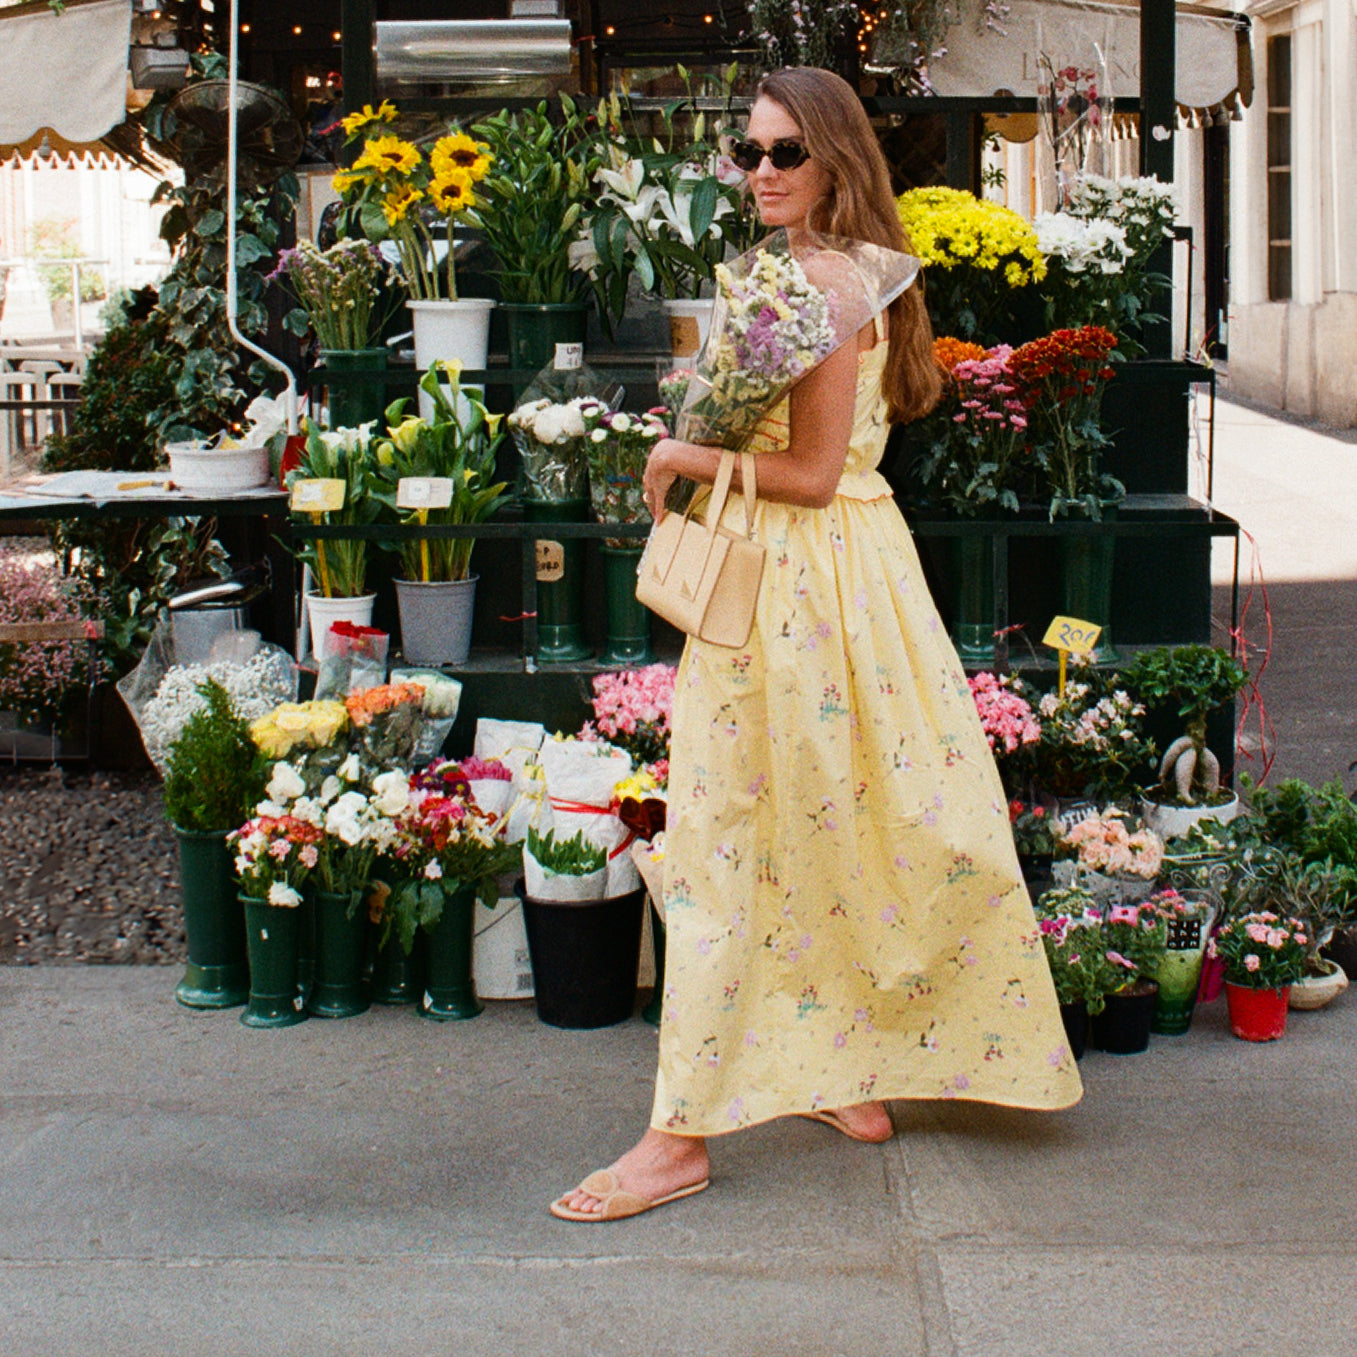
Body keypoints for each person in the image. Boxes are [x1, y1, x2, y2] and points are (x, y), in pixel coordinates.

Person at [551, 66, 1082, 1223]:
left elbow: (806, 471)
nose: (761, 174)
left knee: (725, 838)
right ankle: (841, 1070)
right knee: (827, 822)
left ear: (836, 159)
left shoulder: (828, 285)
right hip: (822, 579)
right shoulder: (809, 277)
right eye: (749, 154)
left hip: (799, 583)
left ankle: (676, 1138)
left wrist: (687, 457)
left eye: (784, 153)